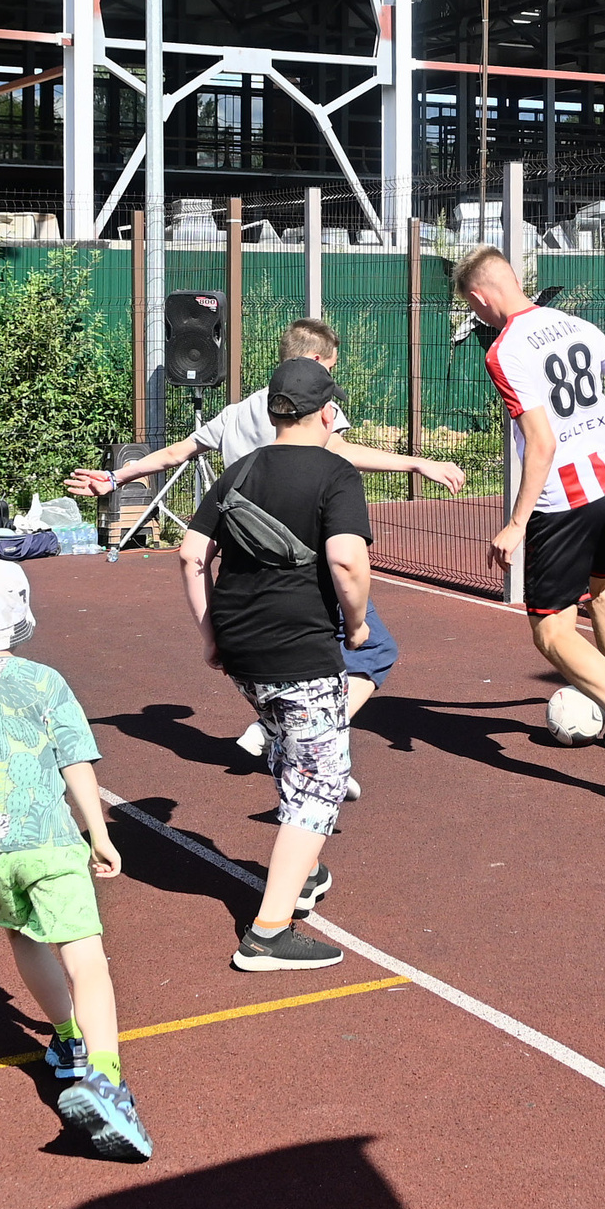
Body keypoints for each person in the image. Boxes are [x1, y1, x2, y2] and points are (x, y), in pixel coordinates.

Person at [71, 318, 463, 794]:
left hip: (243, 571)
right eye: (331, 367)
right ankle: (300, 741)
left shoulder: (237, 412)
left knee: (282, 658)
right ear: (315, 365)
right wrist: (416, 461)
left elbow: (177, 454)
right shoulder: (316, 412)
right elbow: (341, 454)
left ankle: (288, 736)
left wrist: (116, 478)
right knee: (370, 649)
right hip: (304, 563)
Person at [0, 560, 152, 1160]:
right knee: (87, 961)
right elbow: (75, 762)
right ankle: (107, 1082)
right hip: (46, 841)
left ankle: (65, 1042)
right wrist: (99, 832)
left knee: (24, 935)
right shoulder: (44, 681)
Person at [452, 245, 605, 804]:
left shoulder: (505, 350)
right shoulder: (574, 324)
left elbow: (540, 441)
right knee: (603, 594)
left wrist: (516, 522)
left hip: (563, 502)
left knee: (550, 630)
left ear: (478, 298)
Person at [179, 357, 373, 972]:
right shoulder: (336, 473)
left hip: (241, 644)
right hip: (301, 645)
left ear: (271, 412)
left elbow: (190, 556)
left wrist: (211, 634)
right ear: (328, 411)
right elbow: (345, 561)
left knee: (294, 749)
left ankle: (305, 869)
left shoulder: (240, 468)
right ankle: (267, 932)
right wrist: (359, 621)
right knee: (319, 783)